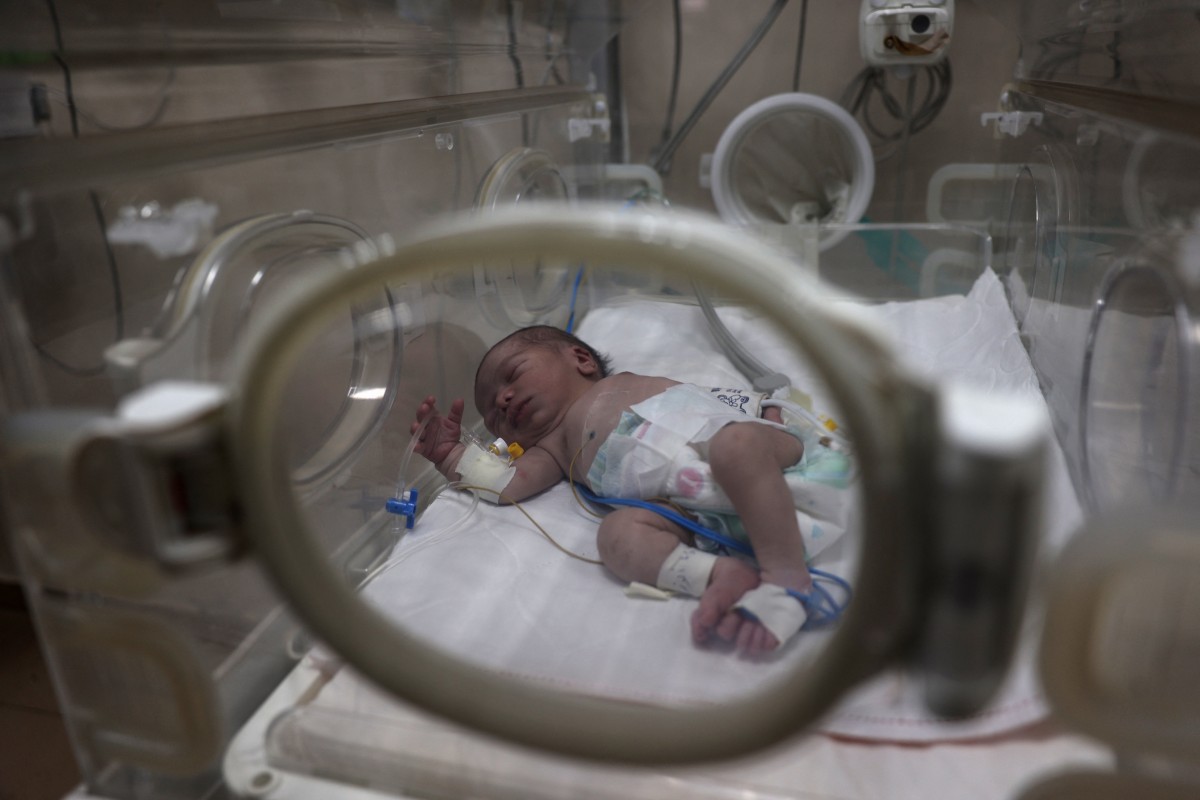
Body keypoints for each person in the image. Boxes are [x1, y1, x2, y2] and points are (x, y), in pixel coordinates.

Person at [411, 325, 849, 658]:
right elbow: (506, 484)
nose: (502, 401)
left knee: (736, 445)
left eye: (512, 376)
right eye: (493, 417)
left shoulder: (628, 384)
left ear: (581, 359)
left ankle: (786, 578)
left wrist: (767, 410)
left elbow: (724, 401)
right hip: (688, 509)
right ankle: (716, 575)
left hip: (753, 456)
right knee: (616, 537)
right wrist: (450, 457)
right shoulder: (552, 448)